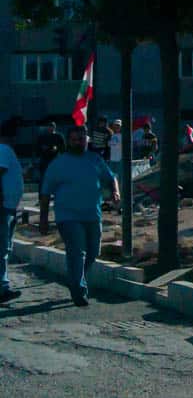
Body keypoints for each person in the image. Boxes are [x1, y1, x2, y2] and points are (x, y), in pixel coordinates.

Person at [39, 126, 119, 307]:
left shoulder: (95, 159)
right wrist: (43, 219)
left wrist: (116, 191)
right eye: (74, 139)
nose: (78, 142)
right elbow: (45, 193)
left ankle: (75, 278)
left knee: (92, 253)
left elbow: (111, 177)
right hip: (68, 217)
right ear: (68, 141)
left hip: (93, 215)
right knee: (77, 251)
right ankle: (78, 289)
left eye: (81, 139)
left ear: (87, 140)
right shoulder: (58, 164)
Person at [1, 122, 24, 303]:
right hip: (3, 207)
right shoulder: (3, 149)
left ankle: (3, 285)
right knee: (2, 248)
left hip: (9, 206)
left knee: (5, 247)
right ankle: (2, 287)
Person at [36, 121, 65, 188]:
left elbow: (63, 148)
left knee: (57, 177)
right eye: (49, 126)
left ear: (55, 127)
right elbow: (37, 148)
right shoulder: (42, 137)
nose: (50, 128)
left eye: (52, 126)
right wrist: (43, 148)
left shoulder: (58, 136)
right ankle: (43, 194)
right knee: (44, 177)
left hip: (55, 159)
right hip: (45, 159)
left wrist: (57, 148)